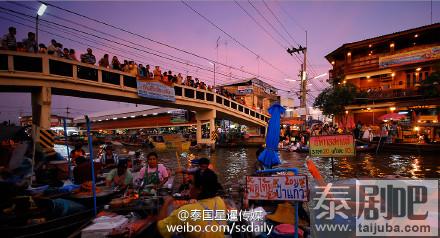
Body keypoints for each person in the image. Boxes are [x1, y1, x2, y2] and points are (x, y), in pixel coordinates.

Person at [154, 168, 226, 238]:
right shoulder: (220, 201)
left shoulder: (185, 211)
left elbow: (160, 230)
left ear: (199, 189)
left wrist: (166, 203)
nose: (189, 186)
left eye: (191, 183)